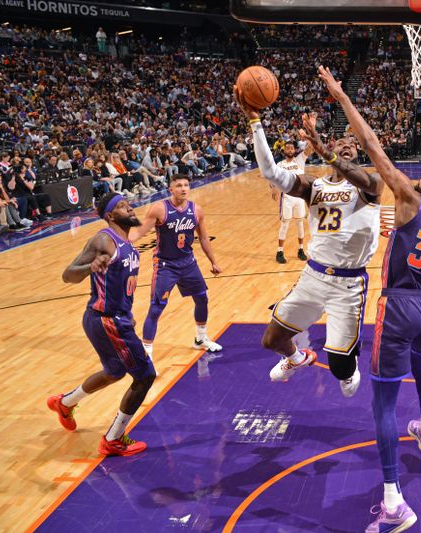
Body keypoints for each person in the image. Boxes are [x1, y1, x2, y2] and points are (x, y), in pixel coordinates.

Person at [318, 65, 421, 532]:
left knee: (381, 405)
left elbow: (373, 145)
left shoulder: (409, 196)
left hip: (398, 304)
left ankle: (394, 501)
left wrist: (342, 95)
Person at [235, 86, 382, 398]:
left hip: (348, 283)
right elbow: (271, 173)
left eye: (351, 145)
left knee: (340, 368)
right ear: (327, 149)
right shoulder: (312, 186)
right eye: (339, 143)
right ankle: (297, 357)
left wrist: (326, 151)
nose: (346, 146)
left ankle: (348, 366)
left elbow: (362, 178)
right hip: (313, 276)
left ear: (357, 154)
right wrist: (255, 122)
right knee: (271, 340)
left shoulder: (370, 185)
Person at [47, 193, 155, 456]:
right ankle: (114, 439)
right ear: (109, 216)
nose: (128, 207)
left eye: (127, 204)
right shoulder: (103, 239)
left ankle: (65, 402)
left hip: (115, 318)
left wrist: (128, 313)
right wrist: (90, 267)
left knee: (115, 371)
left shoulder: (127, 243)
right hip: (106, 320)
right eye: (121, 206)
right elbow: (67, 275)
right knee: (145, 376)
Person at [128, 174, 222, 360]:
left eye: (186, 185)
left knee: (202, 299)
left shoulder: (196, 210)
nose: (183, 188)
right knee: (156, 308)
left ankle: (200, 339)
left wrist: (214, 261)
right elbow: (139, 232)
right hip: (165, 266)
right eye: (179, 185)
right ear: (171, 189)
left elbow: (203, 238)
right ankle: (146, 353)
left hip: (188, 263)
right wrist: (119, 241)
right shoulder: (159, 209)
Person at [272, 140, 313, 264]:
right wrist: (274, 188)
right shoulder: (279, 164)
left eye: (291, 148)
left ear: (295, 150)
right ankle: (280, 251)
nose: (290, 150)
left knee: (300, 223)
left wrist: (310, 133)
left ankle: (300, 249)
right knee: (285, 224)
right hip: (287, 198)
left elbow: (310, 148)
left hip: (300, 197)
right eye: (287, 148)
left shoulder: (299, 160)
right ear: (284, 150)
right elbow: (274, 178)